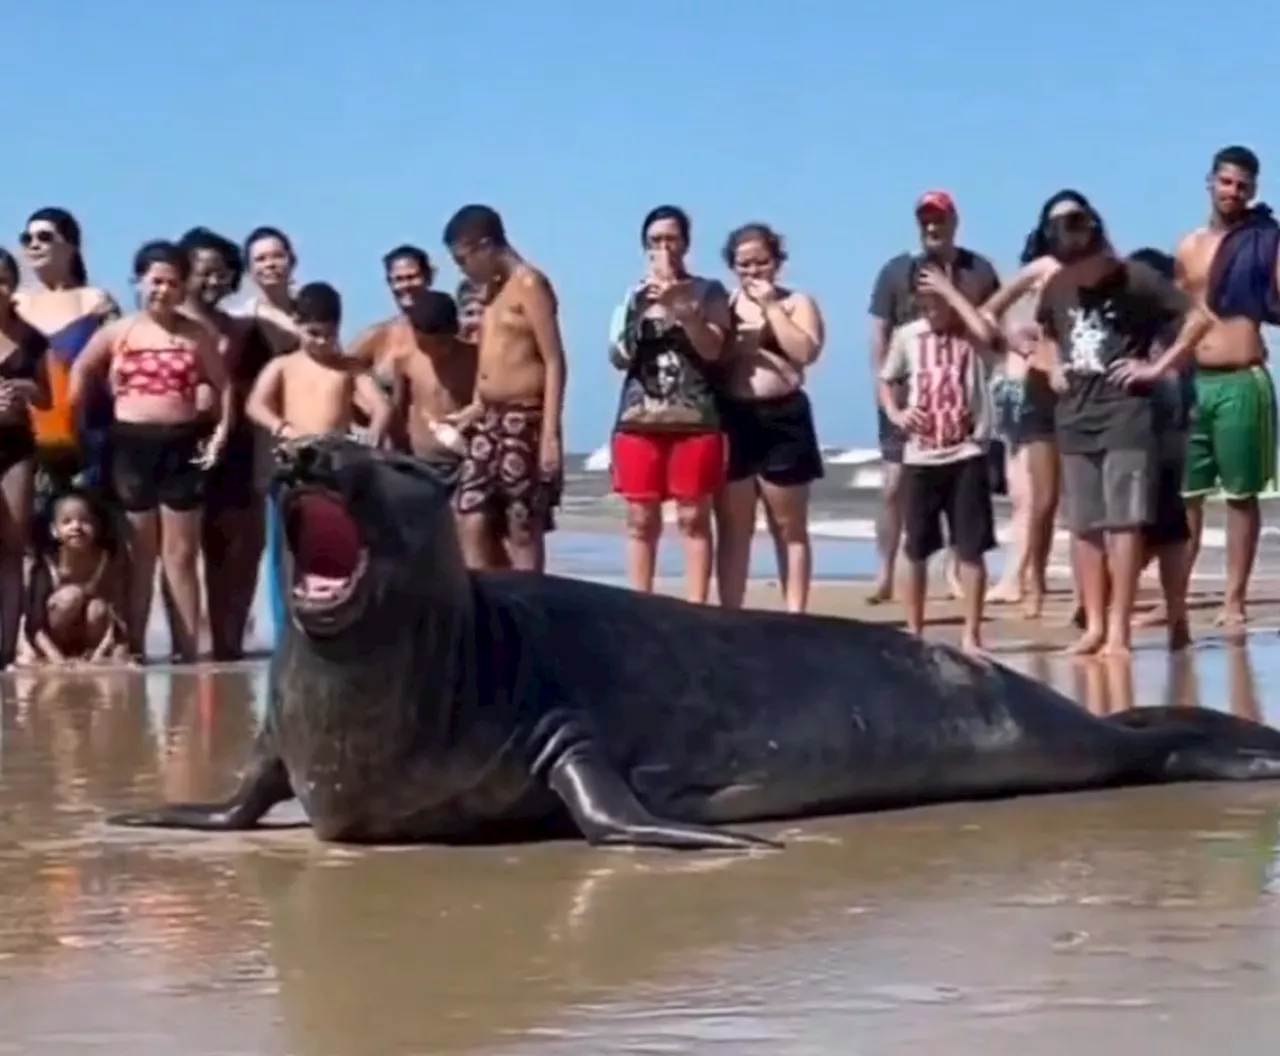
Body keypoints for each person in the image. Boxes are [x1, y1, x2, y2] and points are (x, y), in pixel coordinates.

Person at [1034, 192, 1210, 656]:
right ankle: (1093, 626)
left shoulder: (1136, 278)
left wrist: (1157, 368)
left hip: (1127, 415)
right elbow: (1046, 335)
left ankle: (1119, 630)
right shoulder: (1056, 286)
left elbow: (1199, 320)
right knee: (1085, 526)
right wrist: (1051, 367)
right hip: (1075, 417)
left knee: (1125, 523)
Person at [68, 240, 231, 663]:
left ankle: (191, 650)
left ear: (182, 287)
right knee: (140, 555)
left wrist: (219, 435)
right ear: (139, 283)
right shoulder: (119, 332)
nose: (163, 290)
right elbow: (81, 370)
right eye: (155, 281)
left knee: (180, 556)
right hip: (131, 445)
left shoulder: (197, 335)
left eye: (172, 282)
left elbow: (224, 385)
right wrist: (79, 428)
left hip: (182, 444)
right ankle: (135, 646)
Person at [867, 191, 1000, 604]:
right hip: (908, 396)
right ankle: (885, 571)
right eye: (924, 219)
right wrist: (887, 399)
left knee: (961, 493)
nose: (931, 226)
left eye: (938, 219)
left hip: (962, 401)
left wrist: (949, 289)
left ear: (953, 221)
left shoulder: (978, 270)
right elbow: (878, 335)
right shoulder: (895, 271)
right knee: (894, 486)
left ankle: (956, 571)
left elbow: (991, 332)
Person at [1175, 145, 1279, 629]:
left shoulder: (1265, 241)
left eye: (1243, 185)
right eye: (1227, 182)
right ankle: (1177, 595)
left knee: (1241, 495)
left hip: (1242, 378)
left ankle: (1233, 599)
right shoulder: (1188, 245)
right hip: (1195, 380)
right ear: (1210, 182)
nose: (1233, 192)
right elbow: (1174, 313)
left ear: (1253, 191)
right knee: (1186, 494)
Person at [606, 206, 730, 601]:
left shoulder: (708, 292)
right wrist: (638, 312)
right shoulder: (633, 295)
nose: (664, 249)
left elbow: (714, 349)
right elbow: (619, 357)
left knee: (694, 515)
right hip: (640, 418)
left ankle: (696, 606)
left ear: (686, 243)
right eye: (656, 241)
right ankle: (640, 602)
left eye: (671, 239)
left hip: (694, 418)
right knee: (640, 517)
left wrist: (684, 312)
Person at [877, 265, 1000, 657]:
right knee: (917, 547)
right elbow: (886, 379)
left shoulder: (970, 328)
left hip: (966, 451)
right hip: (921, 454)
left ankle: (972, 635)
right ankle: (914, 630)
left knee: (970, 547)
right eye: (924, 298)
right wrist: (897, 414)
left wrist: (952, 293)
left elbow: (987, 335)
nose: (931, 306)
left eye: (938, 298)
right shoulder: (908, 336)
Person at [443, 205, 567, 573]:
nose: (463, 269)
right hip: (490, 418)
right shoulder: (493, 291)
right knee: (470, 512)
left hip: (524, 417)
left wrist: (549, 436)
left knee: (521, 522)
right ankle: (486, 602)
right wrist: (473, 409)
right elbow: (495, 358)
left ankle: (530, 607)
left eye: (463, 260)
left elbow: (554, 361)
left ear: (484, 246)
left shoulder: (529, 284)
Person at [714, 222, 825, 613]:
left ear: (776, 262)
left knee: (789, 525)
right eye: (744, 265)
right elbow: (711, 357)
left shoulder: (798, 303)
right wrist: (739, 343)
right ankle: (730, 611)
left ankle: (796, 612)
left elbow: (806, 351)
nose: (752, 271)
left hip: (784, 415)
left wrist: (771, 310)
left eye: (761, 262)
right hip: (736, 415)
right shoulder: (724, 305)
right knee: (734, 527)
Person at [179, 226, 272, 660]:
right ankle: (190, 647)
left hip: (236, 449)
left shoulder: (247, 333)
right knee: (182, 554)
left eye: (223, 273)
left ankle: (229, 650)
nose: (214, 281)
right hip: (176, 447)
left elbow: (259, 399)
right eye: (204, 272)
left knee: (236, 552)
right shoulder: (163, 328)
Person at [14, 207, 120, 506]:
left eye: (45, 237)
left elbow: (118, 368)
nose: (34, 245)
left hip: (87, 438)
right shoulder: (15, 304)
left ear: (71, 246)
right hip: (26, 442)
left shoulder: (95, 301)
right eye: (27, 238)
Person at [245, 281, 391, 444]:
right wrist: (283, 428)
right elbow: (255, 406)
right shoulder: (282, 365)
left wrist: (375, 433)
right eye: (313, 333)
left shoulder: (349, 367)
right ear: (297, 322)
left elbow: (381, 406)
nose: (322, 341)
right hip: (297, 452)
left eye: (329, 334)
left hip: (336, 456)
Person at [0, 249, 52, 664]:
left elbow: (48, 397)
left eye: (3, 279)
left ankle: (9, 643)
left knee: (14, 542)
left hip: (16, 443)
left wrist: (27, 391)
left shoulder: (32, 337)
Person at [15, 489, 129, 667]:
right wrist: (56, 660)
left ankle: (87, 653)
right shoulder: (47, 563)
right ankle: (58, 654)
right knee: (72, 596)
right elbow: (34, 624)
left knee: (98, 608)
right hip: (47, 638)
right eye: (67, 522)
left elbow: (116, 617)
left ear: (97, 526)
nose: (76, 527)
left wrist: (100, 655)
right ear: (54, 530)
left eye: (85, 521)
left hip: (87, 638)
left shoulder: (105, 560)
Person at [358, 289, 474, 459]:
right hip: (422, 461)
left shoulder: (474, 359)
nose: (433, 352)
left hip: (468, 457)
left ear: (455, 330)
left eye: (441, 345)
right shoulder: (406, 361)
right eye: (425, 346)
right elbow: (399, 413)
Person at [348, 245, 439, 451]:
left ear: (429, 278)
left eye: (412, 277)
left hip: (442, 454)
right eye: (398, 279)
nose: (405, 285)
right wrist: (368, 407)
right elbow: (334, 370)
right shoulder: (378, 336)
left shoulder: (451, 333)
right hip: (391, 456)